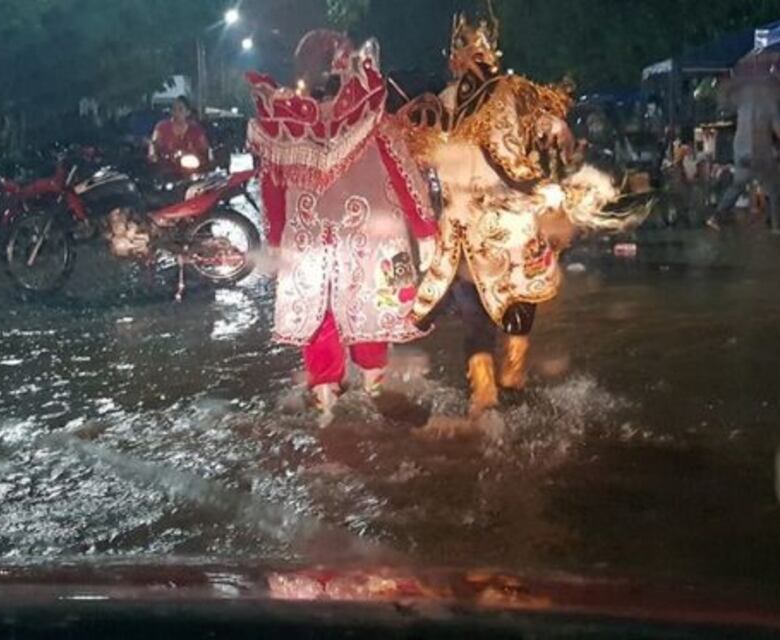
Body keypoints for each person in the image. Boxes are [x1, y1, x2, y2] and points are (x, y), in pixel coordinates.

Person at [399, 13, 632, 433]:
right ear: (487, 54)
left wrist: (552, 129)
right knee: (519, 306)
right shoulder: (501, 94)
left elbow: (433, 159)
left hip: (461, 230)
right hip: (504, 225)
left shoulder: (443, 101)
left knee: (475, 318)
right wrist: (546, 189)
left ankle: (484, 398)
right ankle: (510, 382)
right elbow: (506, 158)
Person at [246, 30, 437, 415]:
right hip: (369, 237)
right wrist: (426, 229)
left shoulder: (283, 125)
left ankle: (326, 406)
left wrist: (275, 240)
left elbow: (271, 186)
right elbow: (403, 172)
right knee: (370, 311)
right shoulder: (370, 114)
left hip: (307, 239)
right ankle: (374, 390)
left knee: (320, 319)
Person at [706, 73, 780, 233]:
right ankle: (776, 227)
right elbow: (778, 128)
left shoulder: (745, 96)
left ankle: (716, 217)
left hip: (740, 150)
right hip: (760, 152)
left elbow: (726, 106)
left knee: (738, 185)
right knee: (775, 189)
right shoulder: (770, 102)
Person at [148, 97, 210, 171]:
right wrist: (152, 154)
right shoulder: (162, 127)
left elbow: (205, 149)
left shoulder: (196, 130)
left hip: (192, 168)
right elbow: (153, 144)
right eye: (174, 109)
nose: (176, 113)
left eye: (180, 109)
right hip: (166, 168)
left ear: (188, 112)